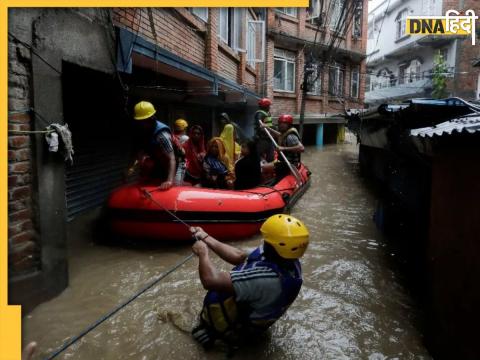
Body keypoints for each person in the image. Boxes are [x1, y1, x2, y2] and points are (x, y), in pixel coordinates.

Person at [190, 214, 309, 349]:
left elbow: (210, 281)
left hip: (229, 331)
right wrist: (206, 237)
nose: (264, 242)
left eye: (267, 241)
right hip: (250, 320)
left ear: (275, 247)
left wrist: (203, 253)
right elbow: (239, 256)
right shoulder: (287, 260)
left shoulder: (266, 279)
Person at [128, 101, 177, 190]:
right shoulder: (142, 130)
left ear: (151, 118)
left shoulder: (162, 135)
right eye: (139, 121)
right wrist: (129, 169)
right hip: (159, 159)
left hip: (175, 159)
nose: (140, 124)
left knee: (173, 186)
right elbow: (137, 152)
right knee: (151, 180)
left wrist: (169, 181)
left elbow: (171, 158)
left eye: (143, 121)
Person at [262, 114, 304, 181]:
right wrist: (267, 128)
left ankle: (266, 183)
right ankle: (270, 181)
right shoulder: (284, 133)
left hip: (289, 164)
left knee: (263, 167)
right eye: (280, 123)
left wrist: (283, 148)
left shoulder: (291, 137)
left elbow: (301, 148)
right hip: (283, 161)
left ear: (289, 125)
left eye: (284, 123)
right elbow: (279, 135)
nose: (281, 125)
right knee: (264, 163)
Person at [254, 98, 275, 162]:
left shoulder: (267, 113)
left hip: (269, 137)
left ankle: (269, 164)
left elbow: (269, 124)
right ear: (265, 106)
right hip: (263, 138)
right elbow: (260, 124)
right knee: (258, 154)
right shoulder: (259, 114)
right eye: (269, 106)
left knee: (271, 156)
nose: (269, 107)